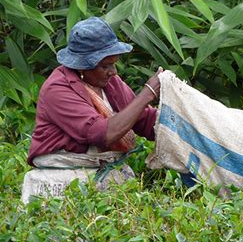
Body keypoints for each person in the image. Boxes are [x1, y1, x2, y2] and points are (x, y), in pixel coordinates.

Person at [27, 17, 162, 186]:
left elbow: (141, 118)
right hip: (67, 176)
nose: (112, 72)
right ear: (82, 66)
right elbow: (103, 134)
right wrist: (147, 93)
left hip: (104, 170)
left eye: (114, 64)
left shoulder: (111, 83)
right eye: (105, 66)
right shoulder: (57, 89)